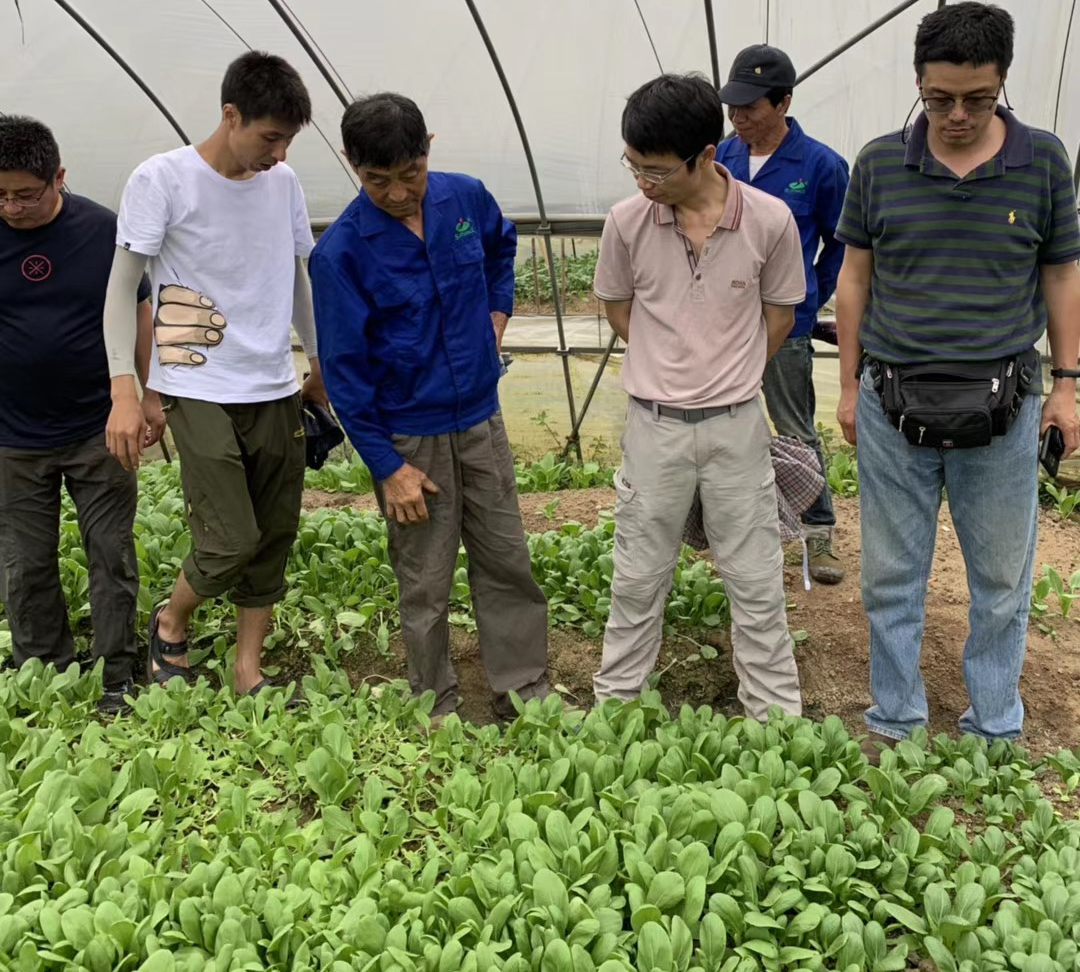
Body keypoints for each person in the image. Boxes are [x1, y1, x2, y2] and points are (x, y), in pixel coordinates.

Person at [834, 2, 1080, 761]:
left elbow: (1061, 274)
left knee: (1003, 578)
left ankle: (995, 724)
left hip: (1004, 404)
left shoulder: (1043, 161)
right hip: (892, 401)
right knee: (890, 575)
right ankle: (895, 718)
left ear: (1003, 82)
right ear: (918, 83)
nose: (958, 115)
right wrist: (847, 386)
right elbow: (854, 278)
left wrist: (1067, 385)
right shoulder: (879, 163)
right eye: (939, 99)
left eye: (978, 98)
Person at [309, 93, 549, 722]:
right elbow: (345, 375)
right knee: (425, 579)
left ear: (428, 150)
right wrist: (389, 468)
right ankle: (434, 704)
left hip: (480, 419)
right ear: (352, 164)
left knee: (506, 559)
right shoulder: (341, 254)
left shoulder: (464, 199)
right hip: (411, 438)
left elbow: (501, 247)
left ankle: (524, 692)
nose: (396, 193)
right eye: (376, 180)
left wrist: (498, 310)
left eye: (409, 173)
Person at [103, 51, 326, 700]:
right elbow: (121, 289)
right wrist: (124, 388)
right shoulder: (163, 179)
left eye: (288, 141)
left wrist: (319, 362)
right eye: (270, 137)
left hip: (273, 384)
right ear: (231, 115)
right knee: (230, 538)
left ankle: (247, 668)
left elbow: (298, 279)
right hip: (195, 384)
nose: (279, 154)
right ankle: (171, 620)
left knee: (274, 533)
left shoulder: (283, 184)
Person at [592, 73, 806, 717]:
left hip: (736, 427)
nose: (642, 182)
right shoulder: (626, 222)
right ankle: (615, 708)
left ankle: (774, 716)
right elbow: (619, 308)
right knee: (637, 575)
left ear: (706, 155)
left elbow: (779, 318)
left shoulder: (770, 220)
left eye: (656, 170)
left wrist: (727, 373)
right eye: (633, 165)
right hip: (654, 425)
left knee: (756, 578)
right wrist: (670, 363)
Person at [0, 115, 161, 712]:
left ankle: (116, 672)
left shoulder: (102, 232)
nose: (11, 207)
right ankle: (45, 670)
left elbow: (140, 312)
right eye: (0, 195)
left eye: (25, 194)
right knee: (24, 561)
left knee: (110, 552)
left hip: (99, 426)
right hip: (12, 435)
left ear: (59, 177)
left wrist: (148, 393)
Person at [717, 44, 850, 583]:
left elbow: (841, 245)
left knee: (794, 426)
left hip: (784, 324)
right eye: (733, 106)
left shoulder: (820, 165)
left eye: (751, 107)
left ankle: (818, 533)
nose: (739, 117)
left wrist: (810, 296)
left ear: (784, 103)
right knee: (722, 422)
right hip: (723, 320)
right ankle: (732, 523)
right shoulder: (721, 158)